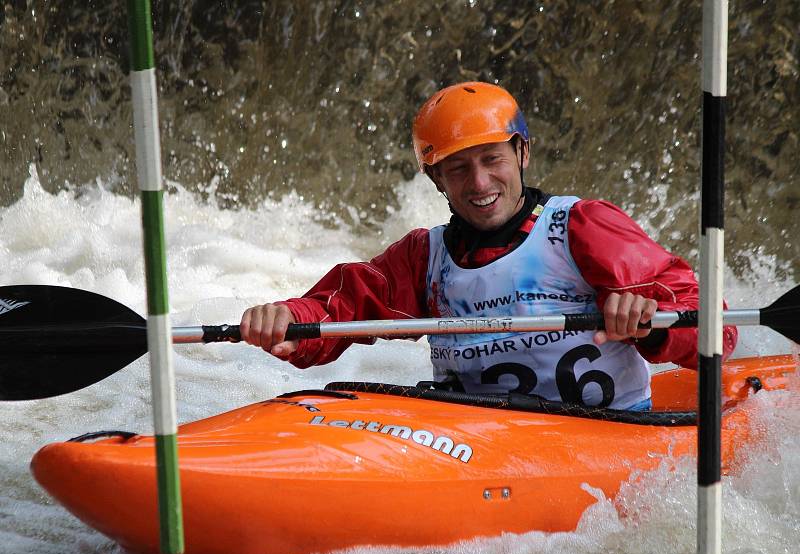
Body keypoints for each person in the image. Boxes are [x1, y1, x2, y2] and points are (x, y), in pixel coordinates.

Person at [240, 81, 737, 410]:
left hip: (601, 434)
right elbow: (344, 307)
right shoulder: (424, 257)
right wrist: (289, 318)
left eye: (492, 158)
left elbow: (712, 323)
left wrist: (649, 322)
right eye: (458, 167)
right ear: (436, 179)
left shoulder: (582, 226)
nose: (479, 182)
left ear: (522, 152)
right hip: (481, 444)